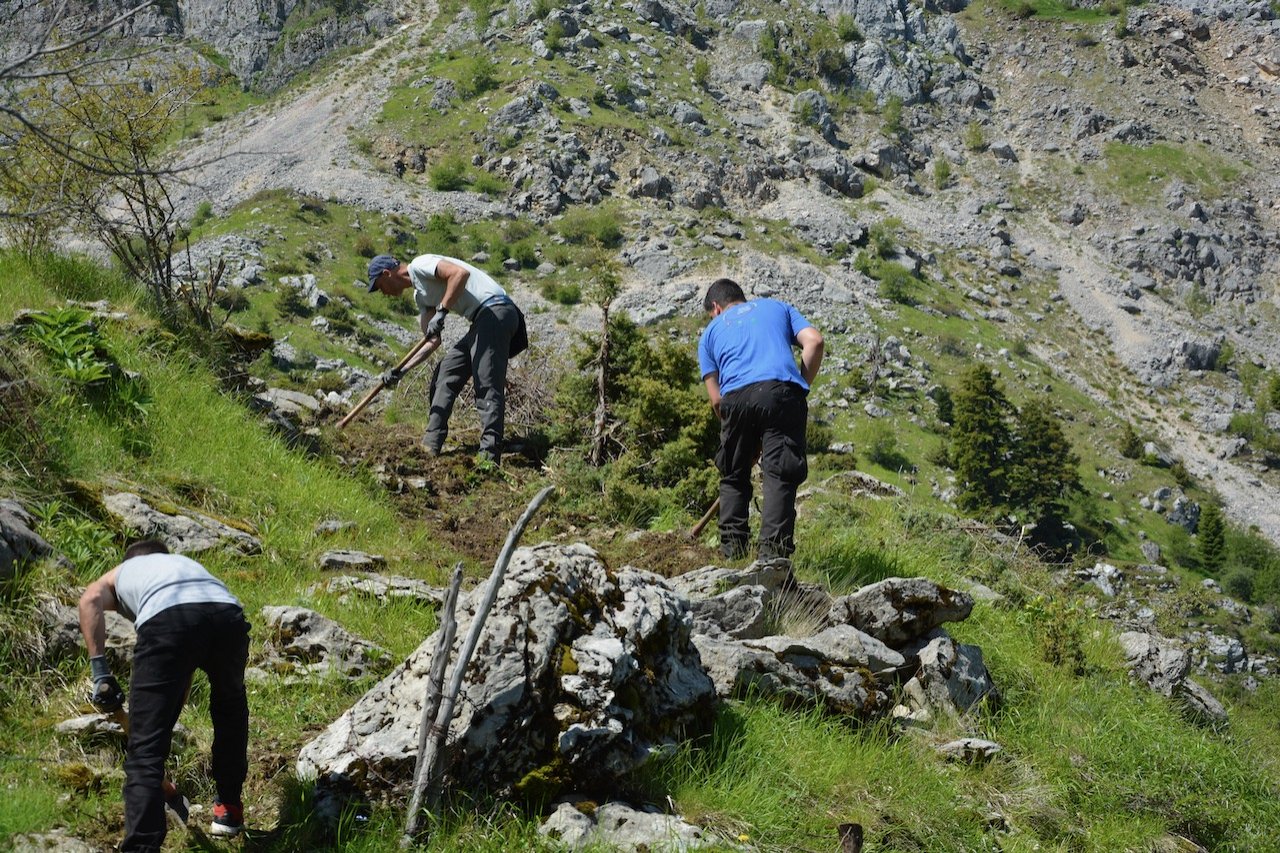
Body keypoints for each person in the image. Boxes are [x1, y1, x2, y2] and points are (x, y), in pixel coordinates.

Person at [79, 540, 251, 848]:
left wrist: (100, 672)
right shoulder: (185, 566)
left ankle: (142, 846)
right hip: (228, 615)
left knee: (144, 751)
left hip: (168, 620)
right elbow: (180, 674)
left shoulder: (123, 571)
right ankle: (228, 809)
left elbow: (90, 599)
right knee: (230, 708)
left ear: (130, 560)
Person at [698, 278, 824, 560]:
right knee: (779, 475)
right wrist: (800, 387)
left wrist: (740, 440)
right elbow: (814, 342)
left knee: (733, 475)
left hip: (735, 399)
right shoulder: (777, 307)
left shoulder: (709, 334)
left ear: (716, 308)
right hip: (781, 392)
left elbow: (716, 400)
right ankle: (772, 558)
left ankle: (733, 553)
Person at [366, 253, 527, 464]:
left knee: (486, 382)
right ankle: (431, 444)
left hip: (496, 312)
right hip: (480, 322)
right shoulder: (420, 297)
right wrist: (401, 371)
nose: (383, 293)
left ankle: (489, 457)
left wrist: (442, 311)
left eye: (379, 286)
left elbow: (459, 274)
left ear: (386, 274)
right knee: (446, 371)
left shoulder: (421, 265)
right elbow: (431, 341)